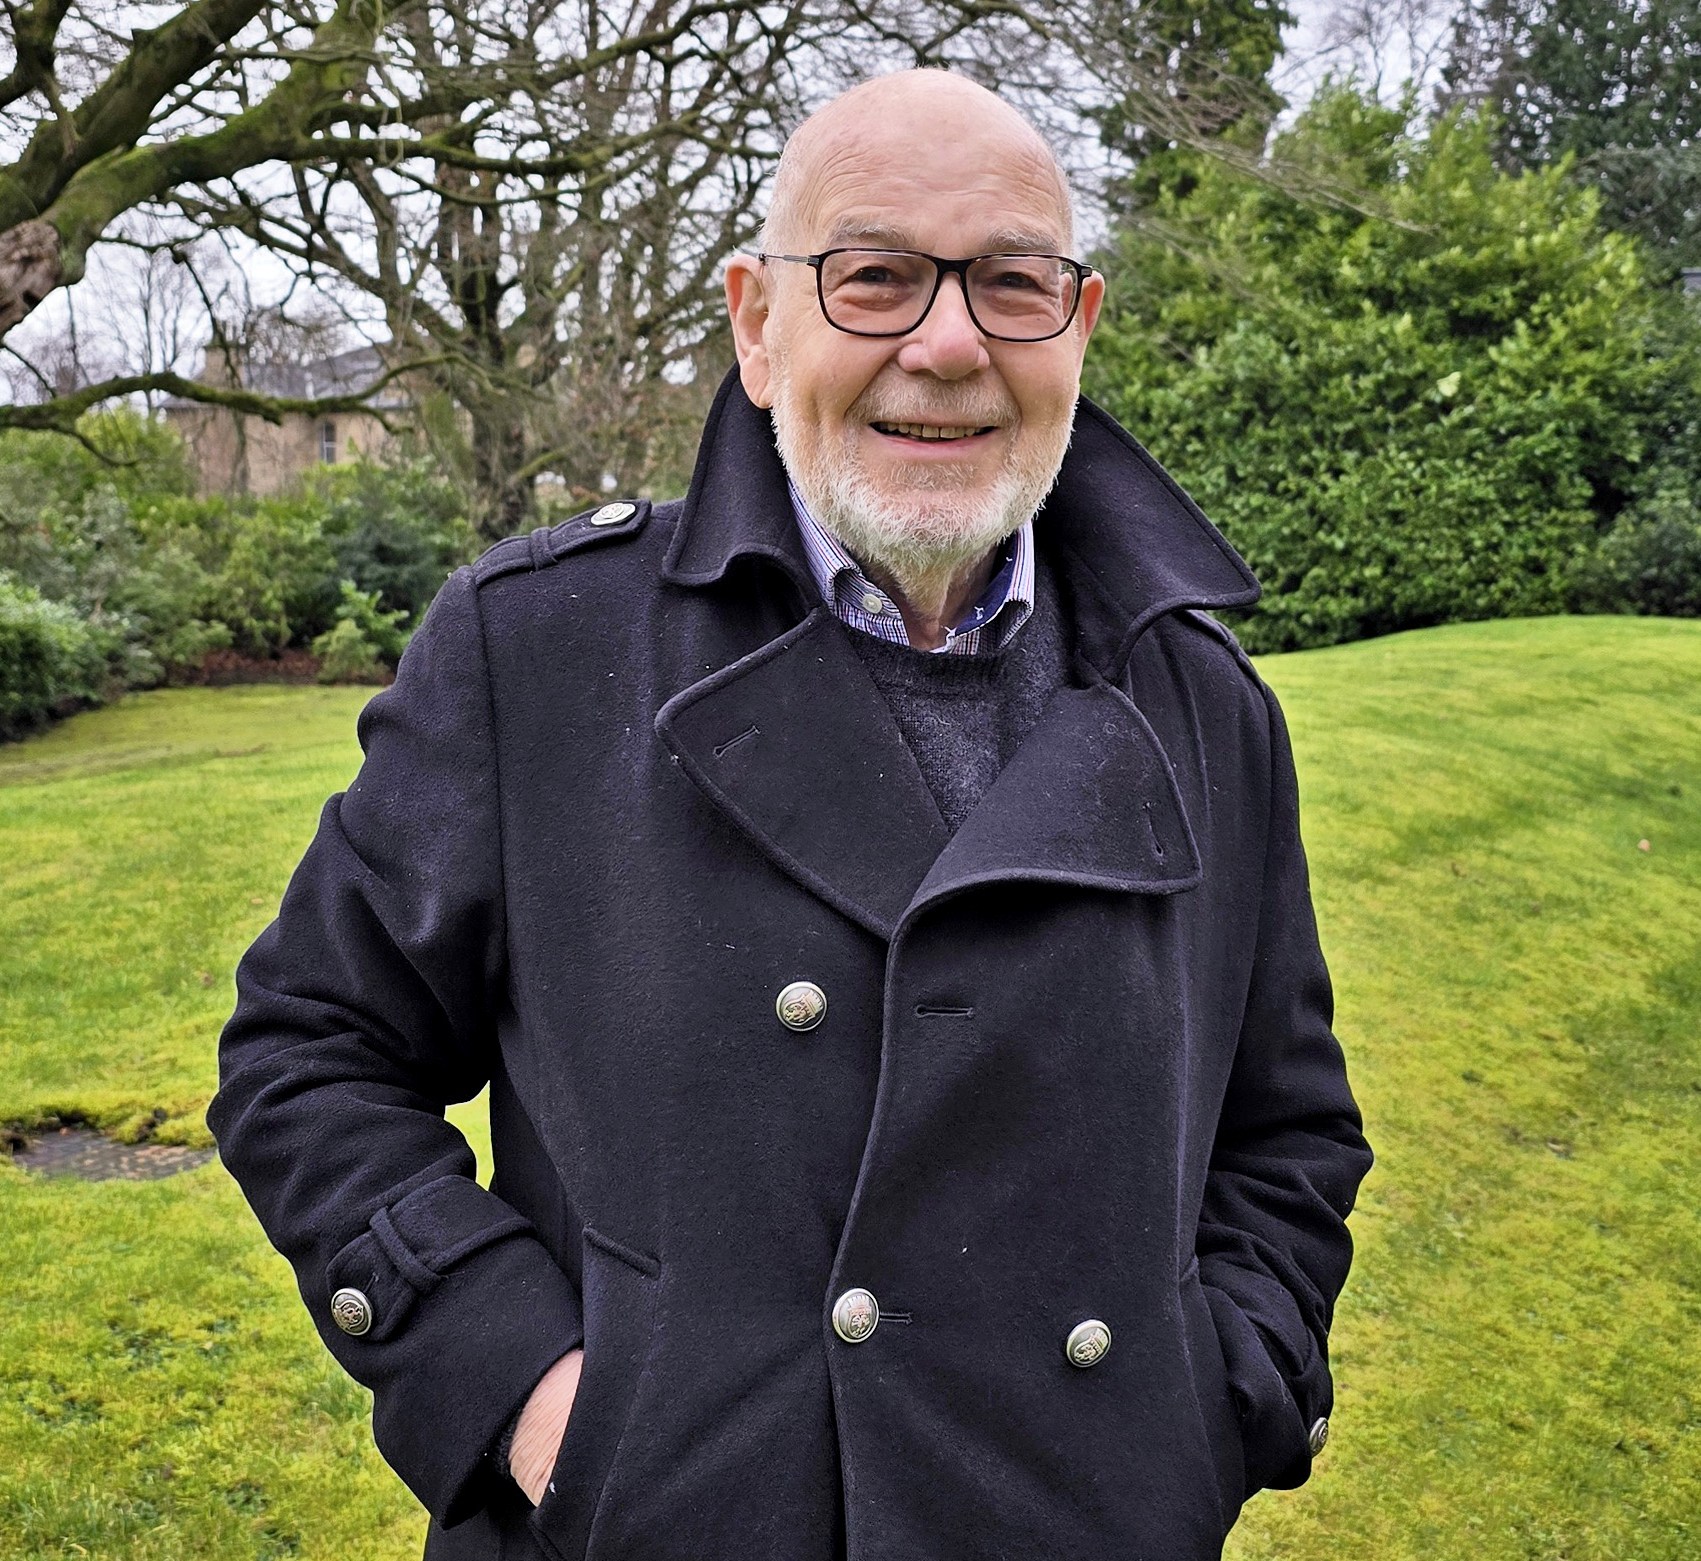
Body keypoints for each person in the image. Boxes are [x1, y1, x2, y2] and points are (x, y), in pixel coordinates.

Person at [211, 69, 1373, 1561]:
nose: (947, 345)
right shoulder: (540, 651)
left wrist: (1216, 1407)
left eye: (1012, 283)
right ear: (758, 325)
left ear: (1075, 329)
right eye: (873, 276)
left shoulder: (1206, 705)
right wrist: (531, 1391)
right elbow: (309, 1051)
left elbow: (1286, 1135)